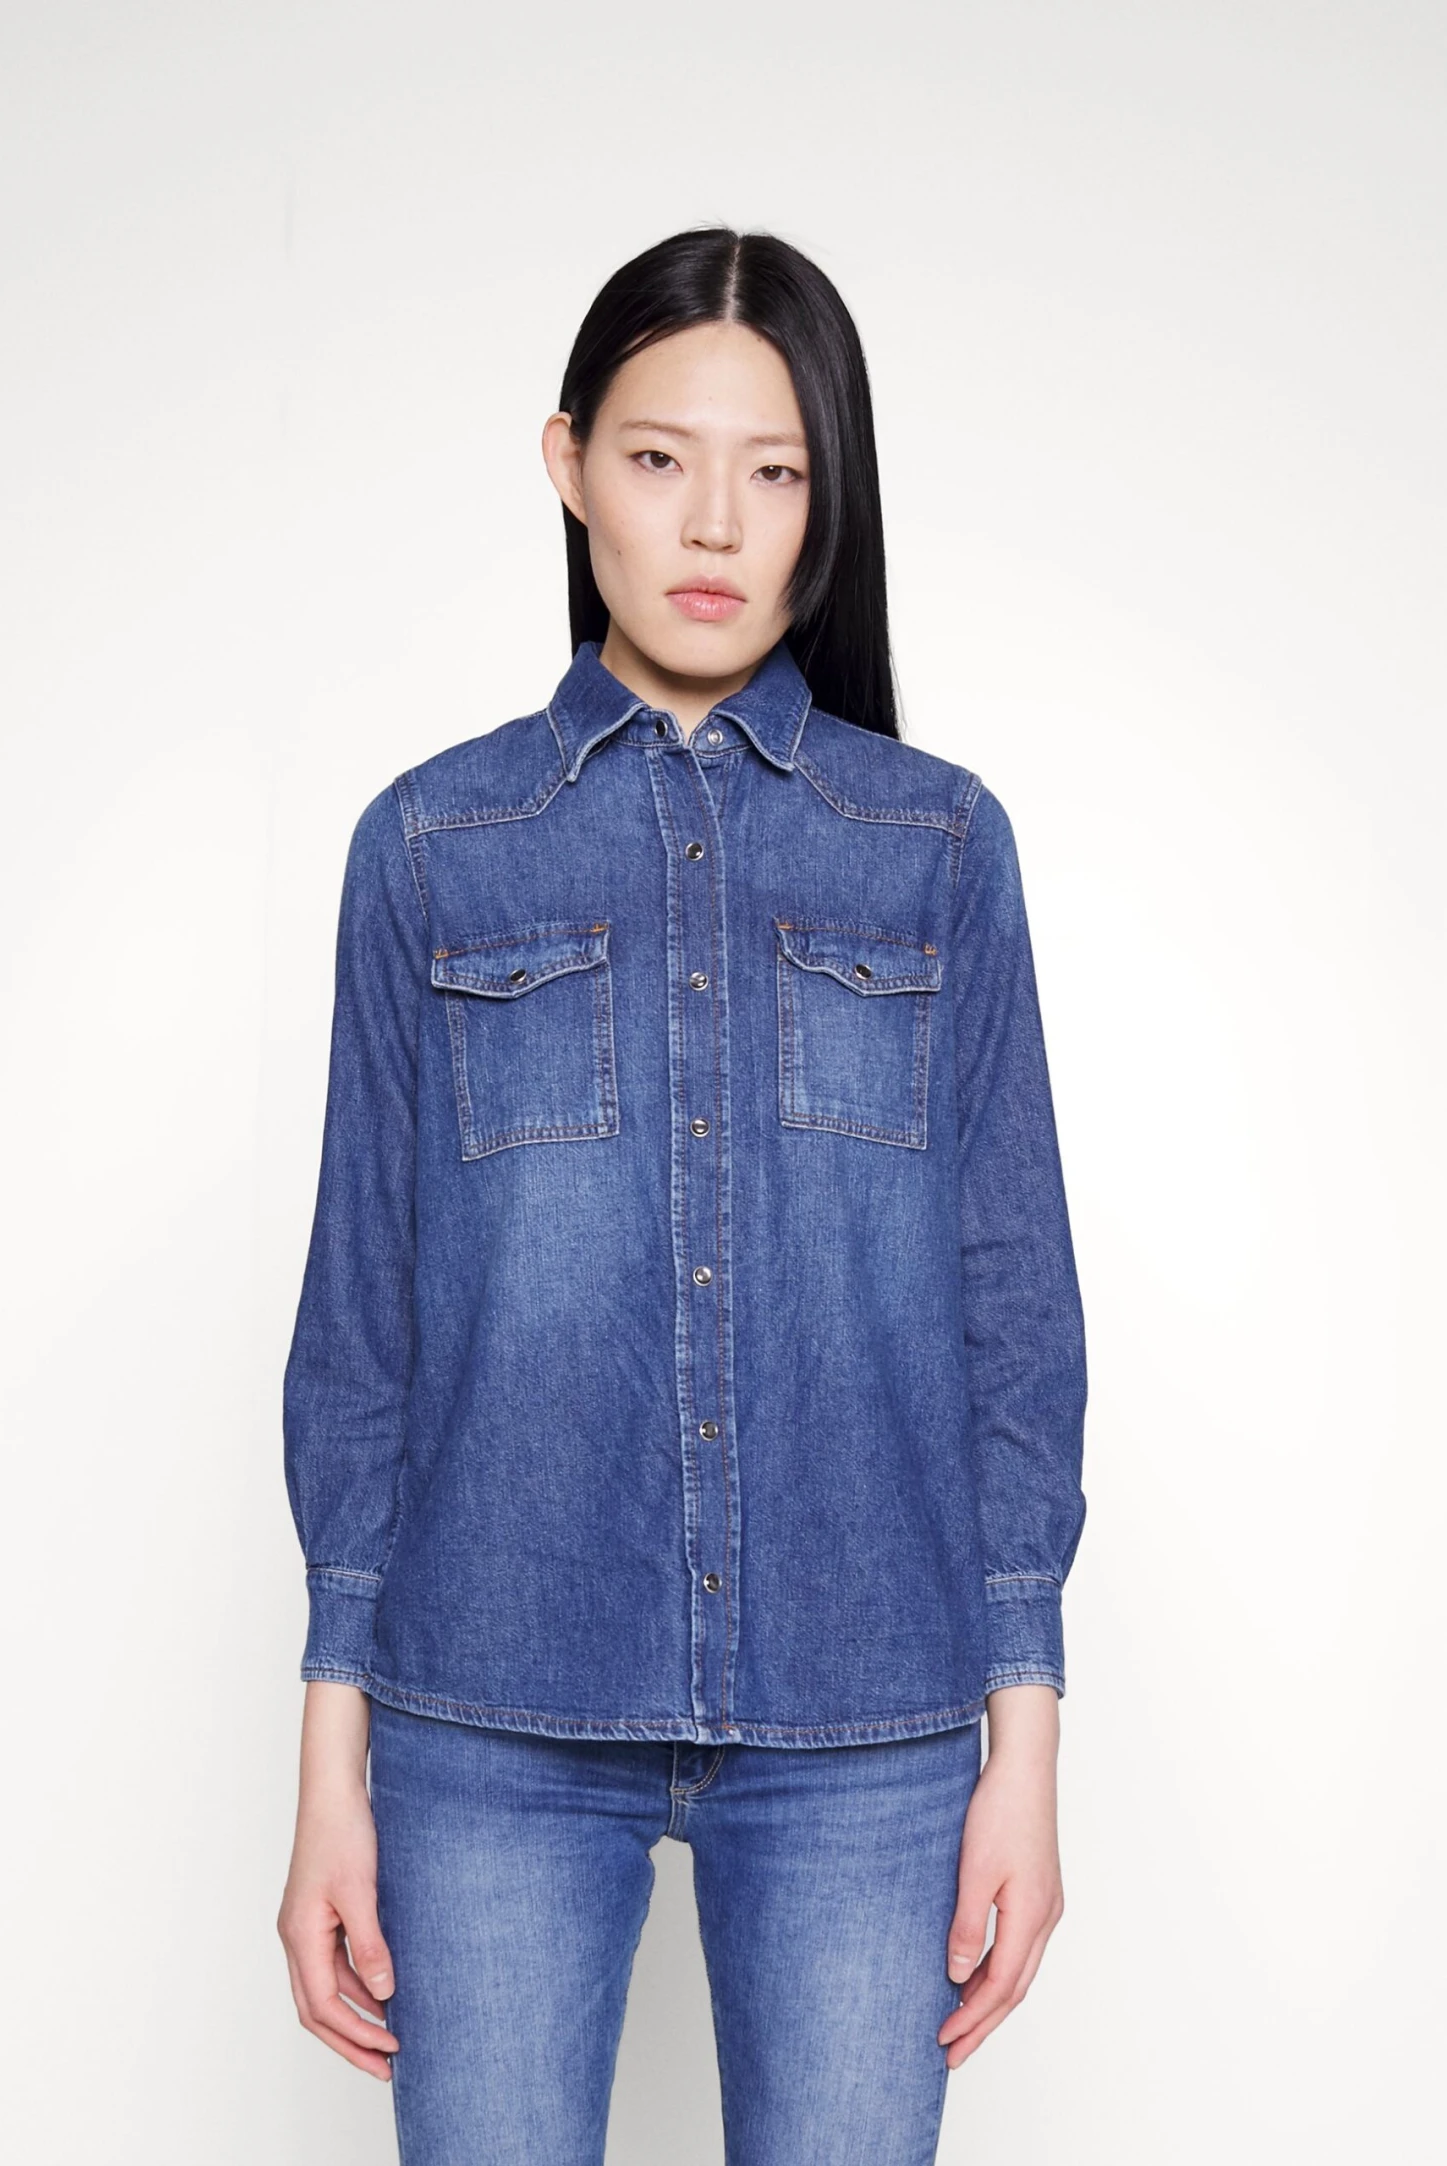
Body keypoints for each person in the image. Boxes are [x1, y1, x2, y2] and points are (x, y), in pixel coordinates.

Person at [276, 225, 1088, 2165]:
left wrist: (1027, 1745)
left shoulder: (936, 848)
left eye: (775, 468)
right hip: (487, 1701)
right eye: (659, 458)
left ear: (829, 497)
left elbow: (1013, 1309)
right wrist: (328, 1769)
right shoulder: (434, 846)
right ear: (571, 466)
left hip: (866, 1709)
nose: (716, 521)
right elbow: (362, 1331)